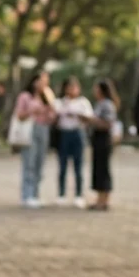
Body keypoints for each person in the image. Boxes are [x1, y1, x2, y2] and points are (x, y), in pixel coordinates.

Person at [14, 71, 56, 208]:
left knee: (39, 163)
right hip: (29, 129)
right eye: (42, 81)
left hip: (43, 129)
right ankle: (27, 195)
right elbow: (19, 115)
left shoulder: (47, 97)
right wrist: (33, 111)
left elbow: (52, 116)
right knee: (29, 162)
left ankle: (35, 194)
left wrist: (51, 107)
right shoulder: (25, 96)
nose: (44, 84)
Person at [54, 77, 93, 208]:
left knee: (78, 166)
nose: (71, 90)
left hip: (78, 133)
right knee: (62, 166)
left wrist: (76, 114)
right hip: (64, 134)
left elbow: (89, 118)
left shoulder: (83, 102)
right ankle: (61, 194)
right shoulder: (59, 102)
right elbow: (54, 117)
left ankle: (78, 195)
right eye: (69, 87)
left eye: (74, 87)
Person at [88, 79, 120, 211]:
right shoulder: (100, 104)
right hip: (98, 139)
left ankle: (104, 200)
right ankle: (100, 199)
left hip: (103, 138)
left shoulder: (107, 104)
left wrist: (92, 121)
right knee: (99, 168)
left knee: (103, 169)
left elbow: (108, 123)